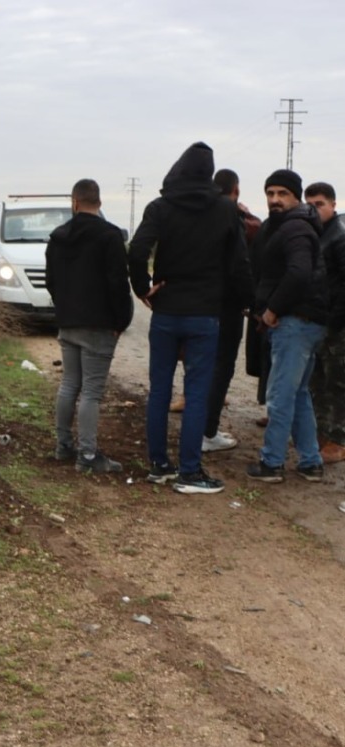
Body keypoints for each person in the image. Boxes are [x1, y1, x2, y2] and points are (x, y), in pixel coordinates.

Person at [128, 142, 252, 494]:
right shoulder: (226, 211)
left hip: (166, 310)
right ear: (210, 174)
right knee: (197, 393)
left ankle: (159, 466)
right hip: (205, 314)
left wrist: (142, 289)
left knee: (160, 390)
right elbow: (240, 265)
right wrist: (243, 302)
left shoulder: (161, 207)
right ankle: (191, 472)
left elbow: (137, 251)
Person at [46, 178, 133, 473]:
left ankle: (63, 446)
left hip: (68, 323)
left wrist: (65, 309)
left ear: (74, 202)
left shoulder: (57, 237)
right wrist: (121, 321)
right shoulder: (109, 237)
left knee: (69, 384)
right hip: (99, 326)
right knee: (92, 392)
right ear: (99, 202)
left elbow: (51, 282)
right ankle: (87, 456)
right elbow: (119, 284)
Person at [246, 170, 328, 482]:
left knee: (280, 395)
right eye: (270, 193)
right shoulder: (294, 225)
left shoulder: (294, 227)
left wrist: (272, 310)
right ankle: (310, 462)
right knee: (298, 395)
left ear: (296, 196)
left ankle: (272, 464)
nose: (275, 200)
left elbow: (298, 273)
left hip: (294, 322)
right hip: (305, 322)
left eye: (282, 193)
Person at [202, 169, 261, 453]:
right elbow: (240, 264)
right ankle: (207, 432)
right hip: (227, 306)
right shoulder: (235, 218)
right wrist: (251, 301)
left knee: (201, 368)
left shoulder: (198, 213)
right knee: (222, 367)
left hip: (199, 304)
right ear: (235, 190)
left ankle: (197, 428)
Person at [304, 182, 345, 464]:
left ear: (333, 204)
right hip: (319, 318)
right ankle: (320, 433)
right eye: (310, 204)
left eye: (319, 204)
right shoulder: (316, 233)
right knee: (316, 380)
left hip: (337, 323)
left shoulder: (339, 237)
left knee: (337, 382)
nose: (314, 210)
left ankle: (338, 440)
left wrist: (336, 321)